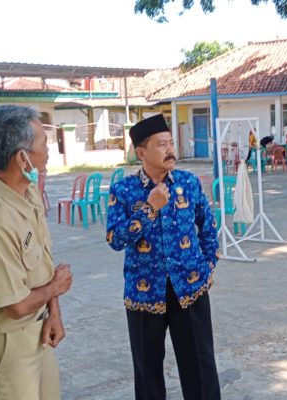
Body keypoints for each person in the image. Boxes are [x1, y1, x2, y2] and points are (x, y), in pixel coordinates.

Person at [106, 114, 221, 400]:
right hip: (144, 292)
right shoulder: (123, 190)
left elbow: (208, 229)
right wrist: (149, 208)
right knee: (147, 372)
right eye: (161, 144)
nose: (170, 149)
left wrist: (206, 267)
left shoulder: (189, 183)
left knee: (200, 367)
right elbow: (115, 239)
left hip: (190, 288)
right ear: (141, 152)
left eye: (171, 142)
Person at [0, 105, 73, 400]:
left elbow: (43, 262)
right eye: (43, 143)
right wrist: (56, 288)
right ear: (22, 158)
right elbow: (14, 306)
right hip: (7, 347)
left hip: (39, 334)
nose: (48, 150)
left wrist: (54, 311)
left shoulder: (28, 192)